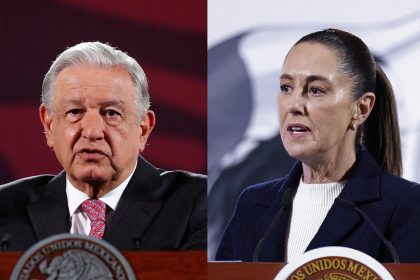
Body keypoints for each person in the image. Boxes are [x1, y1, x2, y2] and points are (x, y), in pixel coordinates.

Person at [216, 29, 420, 263]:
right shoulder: (253, 204)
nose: (293, 105)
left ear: (361, 109)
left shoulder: (407, 206)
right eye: (286, 88)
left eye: (316, 90)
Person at [0, 42, 206, 251]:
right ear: (49, 125)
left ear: (143, 129)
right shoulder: (6, 209)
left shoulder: (195, 203)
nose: (91, 132)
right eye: (74, 112)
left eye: (110, 113)